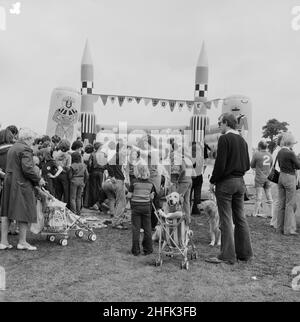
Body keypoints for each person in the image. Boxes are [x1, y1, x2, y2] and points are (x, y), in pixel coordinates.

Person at [206, 113, 253, 265]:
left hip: (226, 183)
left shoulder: (224, 139)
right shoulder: (242, 140)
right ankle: (244, 254)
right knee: (240, 218)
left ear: (226, 123)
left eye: (220, 123)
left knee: (226, 219)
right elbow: (247, 165)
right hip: (240, 182)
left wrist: (213, 181)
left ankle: (227, 255)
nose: (219, 125)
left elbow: (220, 164)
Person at [0, 128, 45, 250]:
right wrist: (38, 179)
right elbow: (28, 169)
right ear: (28, 139)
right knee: (24, 210)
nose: (33, 143)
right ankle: (22, 242)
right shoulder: (25, 149)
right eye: (32, 140)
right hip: (21, 183)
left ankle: (3, 242)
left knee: (6, 212)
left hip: (9, 181)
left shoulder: (14, 147)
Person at [127, 164, 156, 256]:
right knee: (147, 229)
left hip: (136, 207)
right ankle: (148, 249)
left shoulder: (134, 182)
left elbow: (129, 195)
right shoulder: (151, 184)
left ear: (137, 172)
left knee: (136, 228)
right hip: (146, 207)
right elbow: (152, 196)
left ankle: (136, 250)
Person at [276, 132, 300, 235]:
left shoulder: (280, 151)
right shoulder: (290, 153)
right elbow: (298, 166)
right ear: (291, 143)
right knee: (290, 204)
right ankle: (288, 229)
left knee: (281, 204)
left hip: (281, 176)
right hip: (289, 177)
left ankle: (279, 228)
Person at [103, 142, 127, 229]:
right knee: (121, 202)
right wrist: (112, 175)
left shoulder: (117, 156)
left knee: (119, 201)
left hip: (117, 180)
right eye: (124, 148)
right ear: (120, 149)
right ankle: (116, 222)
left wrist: (112, 175)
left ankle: (116, 220)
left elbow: (108, 164)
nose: (125, 150)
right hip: (118, 181)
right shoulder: (118, 155)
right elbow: (108, 164)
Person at [250, 140, 273, 217]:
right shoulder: (270, 155)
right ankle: (272, 213)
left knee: (259, 196)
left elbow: (252, 165)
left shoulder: (256, 154)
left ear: (259, 147)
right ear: (266, 147)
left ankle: (255, 213)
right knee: (269, 195)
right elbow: (271, 166)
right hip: (268, 178)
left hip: (259, 178)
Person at [88, 142, 107, 210]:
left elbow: (89, 164)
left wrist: (90, 171)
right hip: (101, 172)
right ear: (99, 147)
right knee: (99, 188)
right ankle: (98, 204)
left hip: (93, 171)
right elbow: (106, 164)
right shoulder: (104, 154)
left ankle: (93, 204)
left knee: (93, 188)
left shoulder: (92, 154)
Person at [270, 134, 283, 228]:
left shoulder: (276, 150)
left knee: (276, 201)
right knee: (277, 201)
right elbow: (278, 167)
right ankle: (275, 222)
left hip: (274, 178)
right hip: (277, 178)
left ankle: (273, 221)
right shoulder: (279, 151)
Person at [54, 139, 71, 206]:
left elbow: (54, 164)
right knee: (66, 193)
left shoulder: (56, 155)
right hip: (65, 175)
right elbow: (68, 167)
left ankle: (57, 206)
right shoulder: (68, 156)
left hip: (57, 174)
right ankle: (65, 207)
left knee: (58, 193)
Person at [190, 141, 204, 215]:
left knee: (189, 194)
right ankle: (196, 209)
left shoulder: (190, 157)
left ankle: (188, 209)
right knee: (197, 194)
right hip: (199, 176)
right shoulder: (200, 157)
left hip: (191, 176)